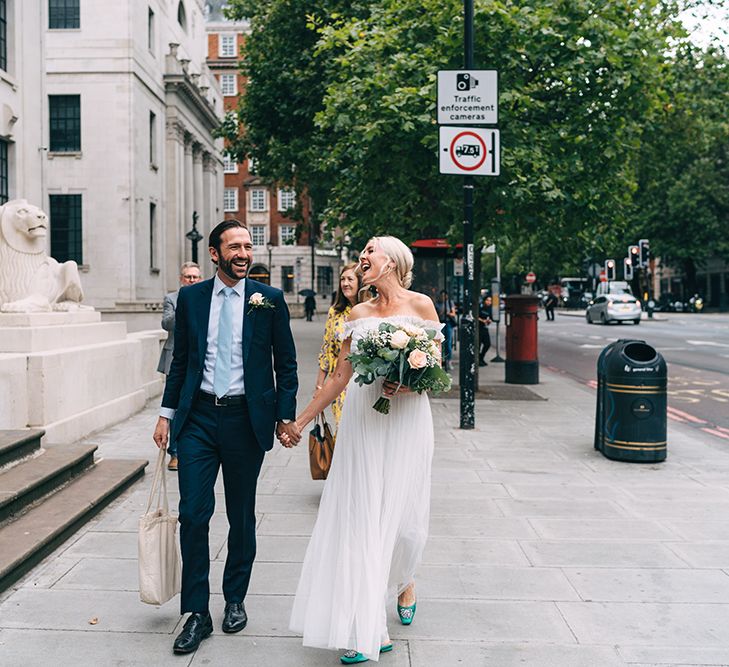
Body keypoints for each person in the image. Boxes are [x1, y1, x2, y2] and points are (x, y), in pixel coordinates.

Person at [286, 236, 440, 664]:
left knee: (405, 523)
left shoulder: (422, 306)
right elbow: (339, 376)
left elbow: (437, 366)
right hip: (364, 419)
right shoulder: (358, 313)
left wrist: (407, 381)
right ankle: (366, 626)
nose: (362, 259)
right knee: (362, 519)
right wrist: (300, 422)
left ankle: (405, 578)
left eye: (369, 252)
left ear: (391, 260)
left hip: (408, 420)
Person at [152, 220, 300, 655]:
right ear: (214, 253)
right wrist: (166, 414)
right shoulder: (191, 299)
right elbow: (181, 362)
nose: (243, 252)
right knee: (193, 515)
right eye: (233, 246)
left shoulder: (268, 300)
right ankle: (197, 612)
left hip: (244, 421)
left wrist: (284, 416)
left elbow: (286, 363)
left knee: (241, 514)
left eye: (247, 246)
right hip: (197, 418)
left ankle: (235, 598)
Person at [157, 261, 202, 471]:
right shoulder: (172, 299)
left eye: (195, 277)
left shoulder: (205, 298)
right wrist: (185, 307)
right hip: (175, 358)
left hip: (198, 361)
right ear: (181, 279)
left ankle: (191, 448)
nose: (192, 280)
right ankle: (174, 453)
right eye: (188, 277)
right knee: (173, 404)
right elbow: (166, 323)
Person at [315, 263, 362, 427]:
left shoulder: (370, 310)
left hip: (365, 383)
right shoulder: (335, 311)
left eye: (350, 279)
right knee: (342, 431)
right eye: (342, 279)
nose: (345, 283)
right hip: (340, 384)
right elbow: (326, 350)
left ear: (360, 282)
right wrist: (320, 386)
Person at [435, 289, 456, 372]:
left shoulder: (450, 303)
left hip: (448, 323)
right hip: (440, 323)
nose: (443, 297)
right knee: (440, 343)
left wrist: (448, 313)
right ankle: (441, 360)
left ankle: (448, 361)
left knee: (448, 343)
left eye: (445, 296)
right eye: (442, 296)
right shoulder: (437, 304)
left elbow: (453, 313)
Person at [478, 294, 492, 366]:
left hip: (485, 328)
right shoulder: (480, 307)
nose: (489, 302)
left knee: (487, 344)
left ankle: (481, 357)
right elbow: (475, 316)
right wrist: (482, 320)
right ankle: (478, 360)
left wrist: (489, 321)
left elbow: (490, 318)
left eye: (490, 301)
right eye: (487, 300)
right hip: (479, 328)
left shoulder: (490, 309)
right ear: (484, 301)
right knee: (478, 345)